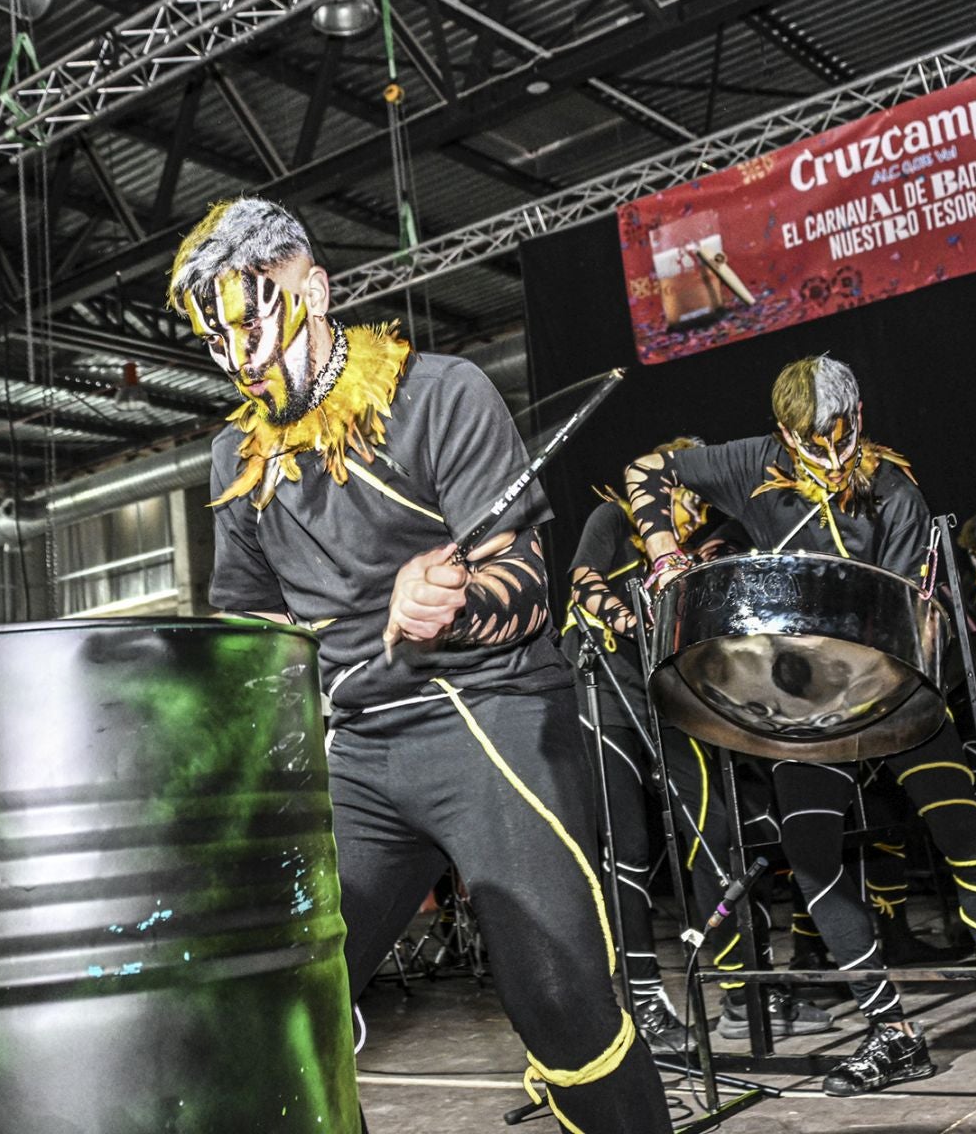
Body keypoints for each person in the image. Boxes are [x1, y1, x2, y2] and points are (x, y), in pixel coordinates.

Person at [171, 197, 669, 1133]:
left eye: (253, 323)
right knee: (276, 1000)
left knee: (559, 994)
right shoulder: (235, 458)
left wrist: (455, 604)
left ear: (314, 292)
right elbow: (253, 624)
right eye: (215, 341)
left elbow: (527, 576)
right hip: (359, 751)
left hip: (489, 713)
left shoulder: (440, 393)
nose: (240, 359)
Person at [623, 355, 976, 1101]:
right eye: (810, 443)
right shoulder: (750, 463)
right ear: (782, 433)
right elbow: (647, 469)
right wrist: (665, 552)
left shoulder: (895, 492)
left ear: (858, 417)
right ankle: (892, 1034)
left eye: (839, 438)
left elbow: (902, 617)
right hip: (804, 699)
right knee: (809, 857)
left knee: (968, 842)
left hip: (891, 693)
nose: (830, 457)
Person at [564, 455, 833, 1053]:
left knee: (715, 829)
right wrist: (636, 619)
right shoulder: (613, 519)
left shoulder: (700, 549)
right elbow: (582, 583)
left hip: (671, 694)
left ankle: (745, 992)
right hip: (603, 689)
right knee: (627, 847)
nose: (690, 520)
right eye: (686, 503)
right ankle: (639, 997)